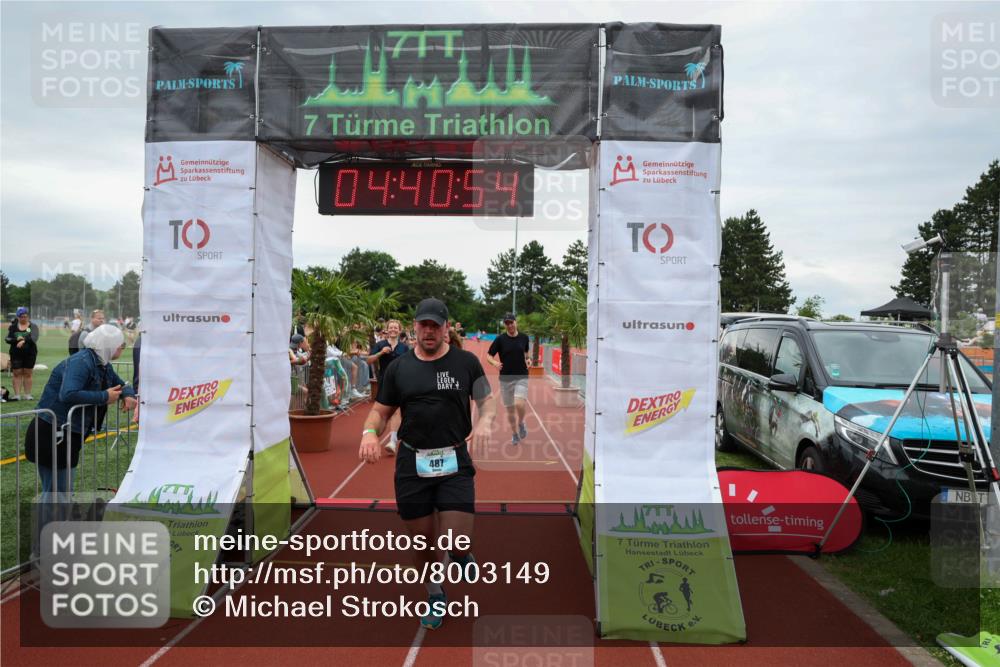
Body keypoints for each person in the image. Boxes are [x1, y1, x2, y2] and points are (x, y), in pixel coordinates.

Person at [359, 298, 495, 630]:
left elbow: (486, 402)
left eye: (436, 325)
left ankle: (462, 556)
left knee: (455, 540)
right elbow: (381, 411)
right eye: (424, 325)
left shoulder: (466, 363)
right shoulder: (399, 368)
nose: (429, 331)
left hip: (454, 459)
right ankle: (434, 592)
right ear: (415, 327)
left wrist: (486, 422)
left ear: (447, 328)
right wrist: (368, 433)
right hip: (411, 462)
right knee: (421, 539)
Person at [25, 325, 137, 495]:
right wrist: (104, 397)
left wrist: (127, 394)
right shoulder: (81, 362)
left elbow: (121, 384)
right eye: (121, 346)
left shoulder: (102, 363)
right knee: (58, 492)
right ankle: (53, 521)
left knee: (61, 490)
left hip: (67, 432)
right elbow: (68, 393)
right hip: (53, 431)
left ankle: (57, 520)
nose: (122, 349)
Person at [487, 313, 531, 445]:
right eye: (507, 323)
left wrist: (528, 359)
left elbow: (526, 353)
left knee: (519, 403)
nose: (510, 325)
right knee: (510, 409)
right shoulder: (500, 339)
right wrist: (494, 363)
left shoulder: (524, 338)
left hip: (521, 376)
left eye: (511, 322)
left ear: (516, 322)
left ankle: (521, 423)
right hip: (505, 379)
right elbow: (489, 355)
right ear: (505, 325)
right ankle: (514, 434)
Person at [366, 319, 409, 454]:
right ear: (387, 329)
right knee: (382, 411)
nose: (393, 330)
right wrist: (381, 353)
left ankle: (392, 441)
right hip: (384, 381)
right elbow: (368, 360)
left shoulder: (404, 347)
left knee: (397, 411)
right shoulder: (380, 344)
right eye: (391, 327)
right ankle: (373, 435)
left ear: (399, 330)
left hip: (401, 381)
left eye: (396, 328)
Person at [7, 307, 40, 401]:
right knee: (17, 373)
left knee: (28, 373)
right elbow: (8, 339)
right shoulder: (13, 327)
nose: (24, 318)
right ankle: (17, 395)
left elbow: (34, 337)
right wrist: (16, 339)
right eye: (22, 317)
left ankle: (27, 394)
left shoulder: (32, 327)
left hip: (30, 353)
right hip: (16, 354)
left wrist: (24, 341)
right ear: (18, 317)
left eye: (26, 316)